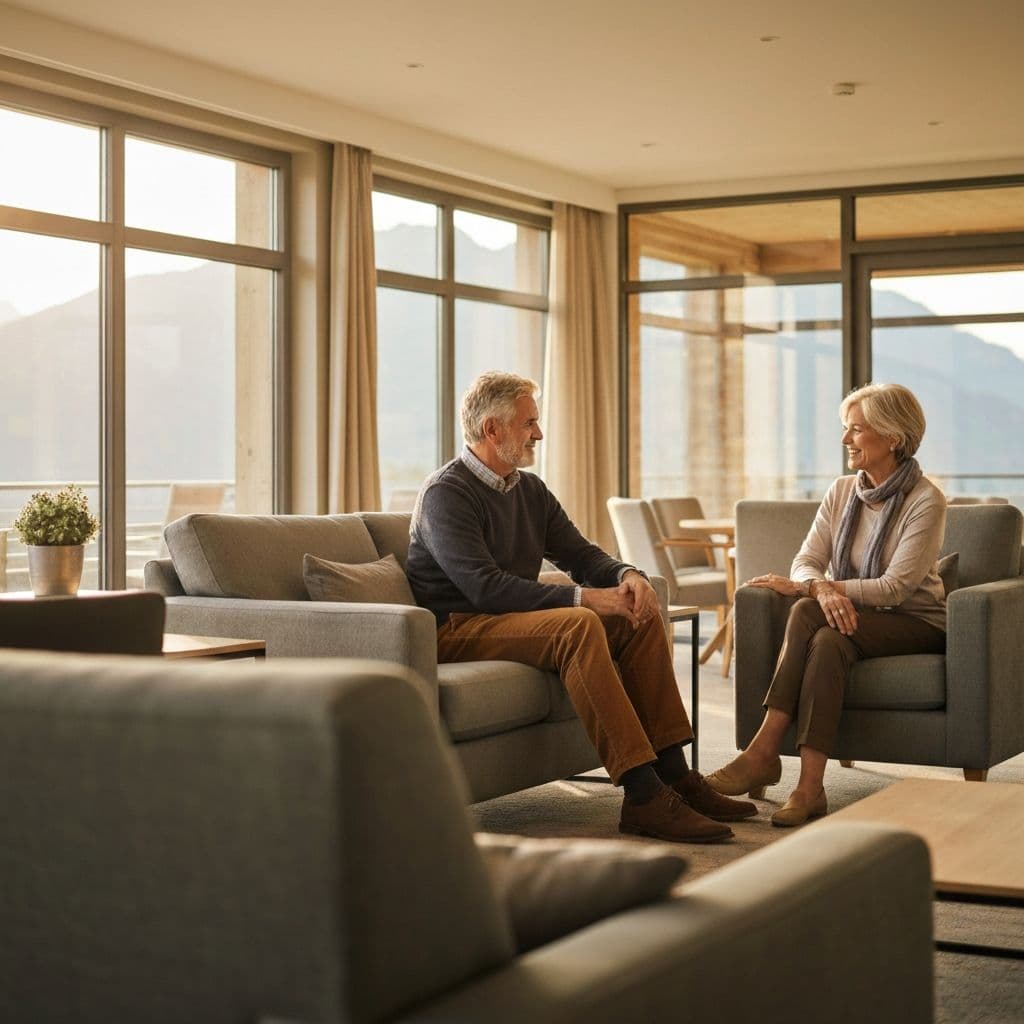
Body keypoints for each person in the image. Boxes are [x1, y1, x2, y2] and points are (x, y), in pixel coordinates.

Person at [407, 371, 756, 844]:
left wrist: (626, 576)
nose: (539, 433)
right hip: (456, 627)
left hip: (507, 620)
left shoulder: (528, 490)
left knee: (637, 615)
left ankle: (676, 777)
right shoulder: (446, 494)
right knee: (578, 624)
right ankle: (643, 797)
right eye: (529, 423)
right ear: (492, 430)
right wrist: (586, 598)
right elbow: (485, 589)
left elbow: (580, 554)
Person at [707, 382, 947, 826]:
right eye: (845, 429)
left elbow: (894, 588)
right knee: (828, 641)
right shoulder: (841, 492)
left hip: (915, 620)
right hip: (854, 621)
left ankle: (763, 750)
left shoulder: (926, 500)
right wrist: (818, 587)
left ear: (892, 437)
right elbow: (806, 561)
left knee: (805, 609)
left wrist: (815, 590)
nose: (845, 441)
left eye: (855, 430)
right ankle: (810, 787)